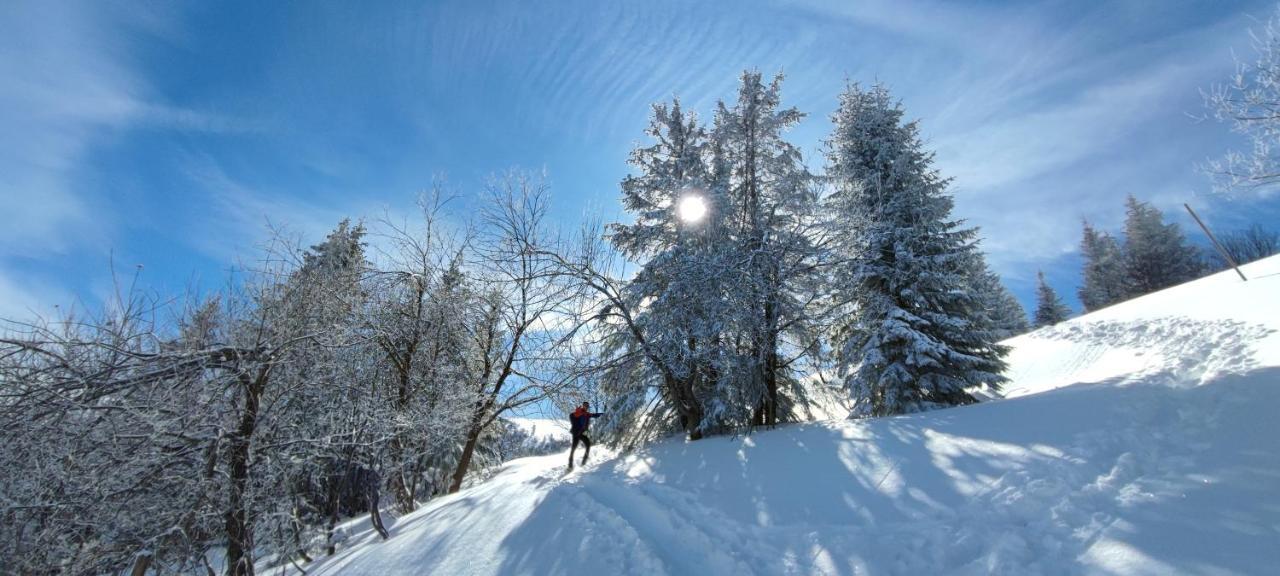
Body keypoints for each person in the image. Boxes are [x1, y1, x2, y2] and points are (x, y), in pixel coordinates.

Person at [568, 401, 604, 469]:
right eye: (585, 405)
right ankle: (570, 465)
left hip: (580, 433)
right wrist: (575, 425)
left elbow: (594, 415)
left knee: (588, 444)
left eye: (587, 406)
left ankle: (583, 462)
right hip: (576, 433)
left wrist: (604, 414)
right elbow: (571, 415)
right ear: (583, 405)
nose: (586, 407)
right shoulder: (579, 412)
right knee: (574, 448)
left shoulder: (587, 414)